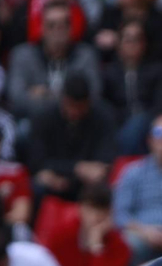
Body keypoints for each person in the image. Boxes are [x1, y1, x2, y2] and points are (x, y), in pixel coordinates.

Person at [24, 70, 117, 201]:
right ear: (63, 100)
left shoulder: (103, 116)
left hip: (88, 182)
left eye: (80, 107)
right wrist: (76, 168)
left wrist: (89, 171)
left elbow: (106, 158)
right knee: (39, 183)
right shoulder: (43, 117)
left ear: (89, 102)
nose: (75, 112)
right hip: (55, 177)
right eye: (71, 106)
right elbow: (37, 160)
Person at [6, 0, 102, 124]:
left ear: (71, 28)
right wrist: (67, 98)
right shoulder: (22, 55)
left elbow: (94, 95)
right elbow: (16, 98)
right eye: (51, 25)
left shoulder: (86, 55)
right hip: (34, 122)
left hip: (77, 123)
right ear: (42, 28)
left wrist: (44, 94)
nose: (58, 31)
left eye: (63, 25)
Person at [113, 114, 162, 262]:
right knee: (128, 243)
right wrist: (144, 231)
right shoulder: (133, 171)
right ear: (150, 140)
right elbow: (120, 214)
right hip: (142, 233)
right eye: (159, 133)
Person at [101, 19, 162, 155]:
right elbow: (105, 107)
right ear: (119, 44)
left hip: (150, 128)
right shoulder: (109, 73)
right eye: (128, 39)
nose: (133, 44)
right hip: (119, 126)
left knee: (140, 122)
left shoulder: (158, 70)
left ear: (144, 43)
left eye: (137, 39)